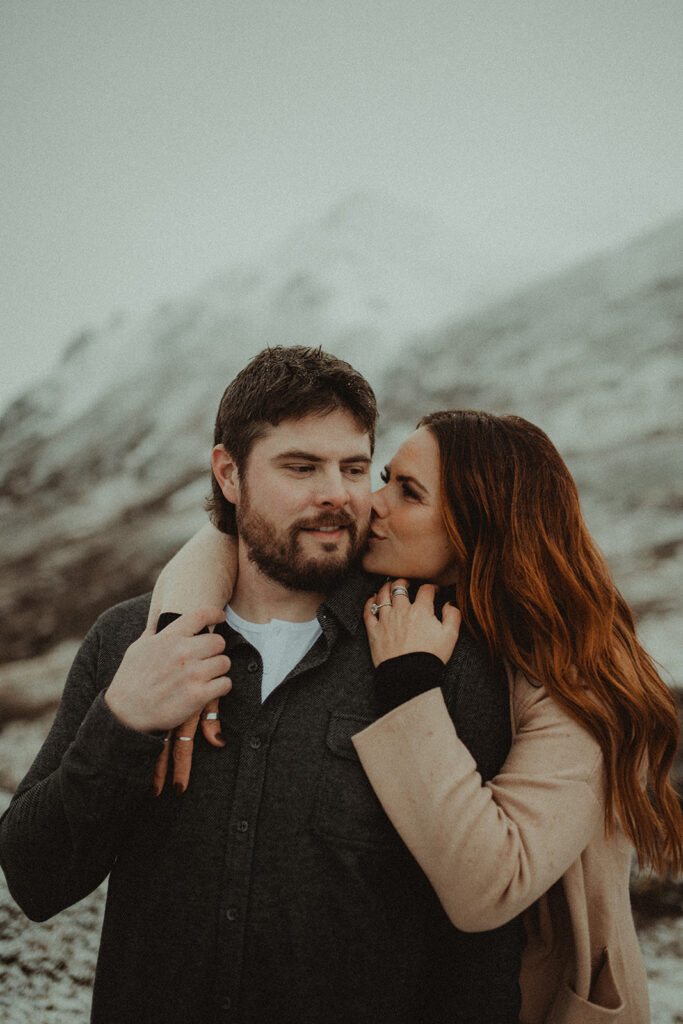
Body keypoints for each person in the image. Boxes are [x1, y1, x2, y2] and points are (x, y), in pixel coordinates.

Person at [0, 348, 525, 1024]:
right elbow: (36, 879)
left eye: (355, 467)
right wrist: (123, 720)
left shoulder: (437, 660)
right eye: (301, 467)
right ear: (229, 474)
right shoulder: (129, 642)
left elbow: (479, 948)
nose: (336, 492)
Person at [151, 408, 683, 1024]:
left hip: (534, 1003)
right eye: (384, 477)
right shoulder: (406, 576)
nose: (372, 502)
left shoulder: (575, 679)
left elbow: (490, 888)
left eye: (408, 492)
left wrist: (409, 686)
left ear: (480, 526)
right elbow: (225, 538)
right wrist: (180, 636)